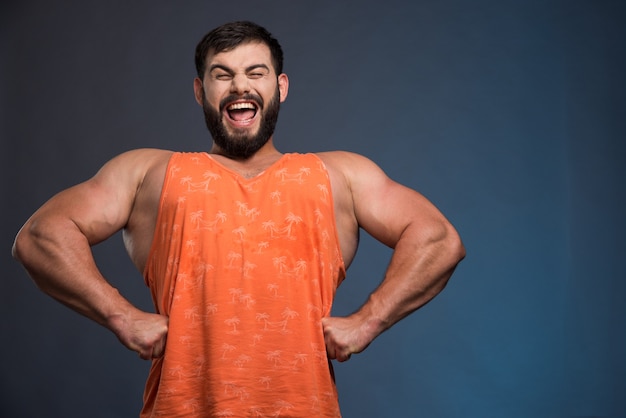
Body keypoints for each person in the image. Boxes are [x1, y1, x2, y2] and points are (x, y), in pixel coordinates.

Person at [12, 21, 465, 417]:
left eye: (255, 72)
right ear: (200, 91)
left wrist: (369, 320)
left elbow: (438, 238)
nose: (239, 86)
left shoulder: (340, 175)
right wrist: (121, 316)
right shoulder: (146, 172)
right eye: (221, 74)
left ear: (280, 88)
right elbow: (41, 235)